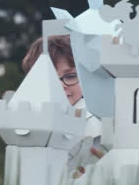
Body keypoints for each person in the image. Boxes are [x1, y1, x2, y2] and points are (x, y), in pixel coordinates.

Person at [21, 35, 103, 177]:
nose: (60, 86)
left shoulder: (93, 121)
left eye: (70, 76)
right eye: (49, 78)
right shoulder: (27, 122)